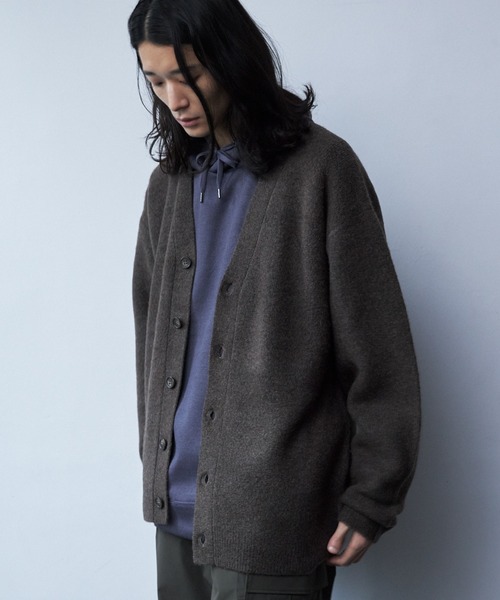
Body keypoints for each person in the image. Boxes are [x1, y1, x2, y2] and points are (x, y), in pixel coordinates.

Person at [128, 0, 421, 598]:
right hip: (174, 511)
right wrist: (155, 462)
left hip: (272, 517)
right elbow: (149, 340)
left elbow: (379, 350)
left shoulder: (321, 171)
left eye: (188, 76)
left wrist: (372, 497)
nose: (174, 99)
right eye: (155, 81)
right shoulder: (168, 187)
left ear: (232, 61)